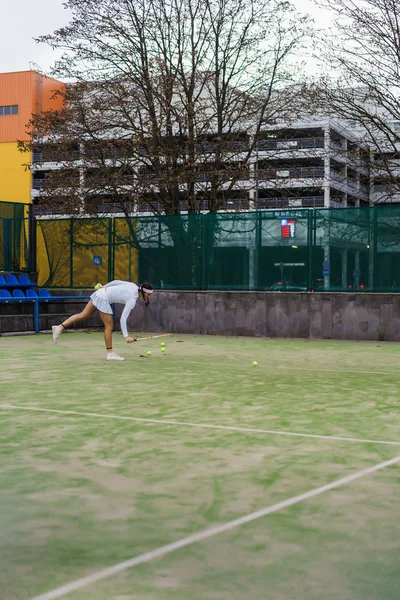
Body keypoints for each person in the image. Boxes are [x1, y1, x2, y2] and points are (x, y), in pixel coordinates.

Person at [52, 281, 153, 361]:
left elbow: (115, 281)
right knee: (109, 326)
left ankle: (59, 328)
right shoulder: (132, 300)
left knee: (83, 315)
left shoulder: (132, 285)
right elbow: (123, 318)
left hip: (99, 293)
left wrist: (104, 286)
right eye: (148, 294)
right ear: (143, 292)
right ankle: (110, 353)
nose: (149, 297)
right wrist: (126, 336)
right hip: (103, 298)